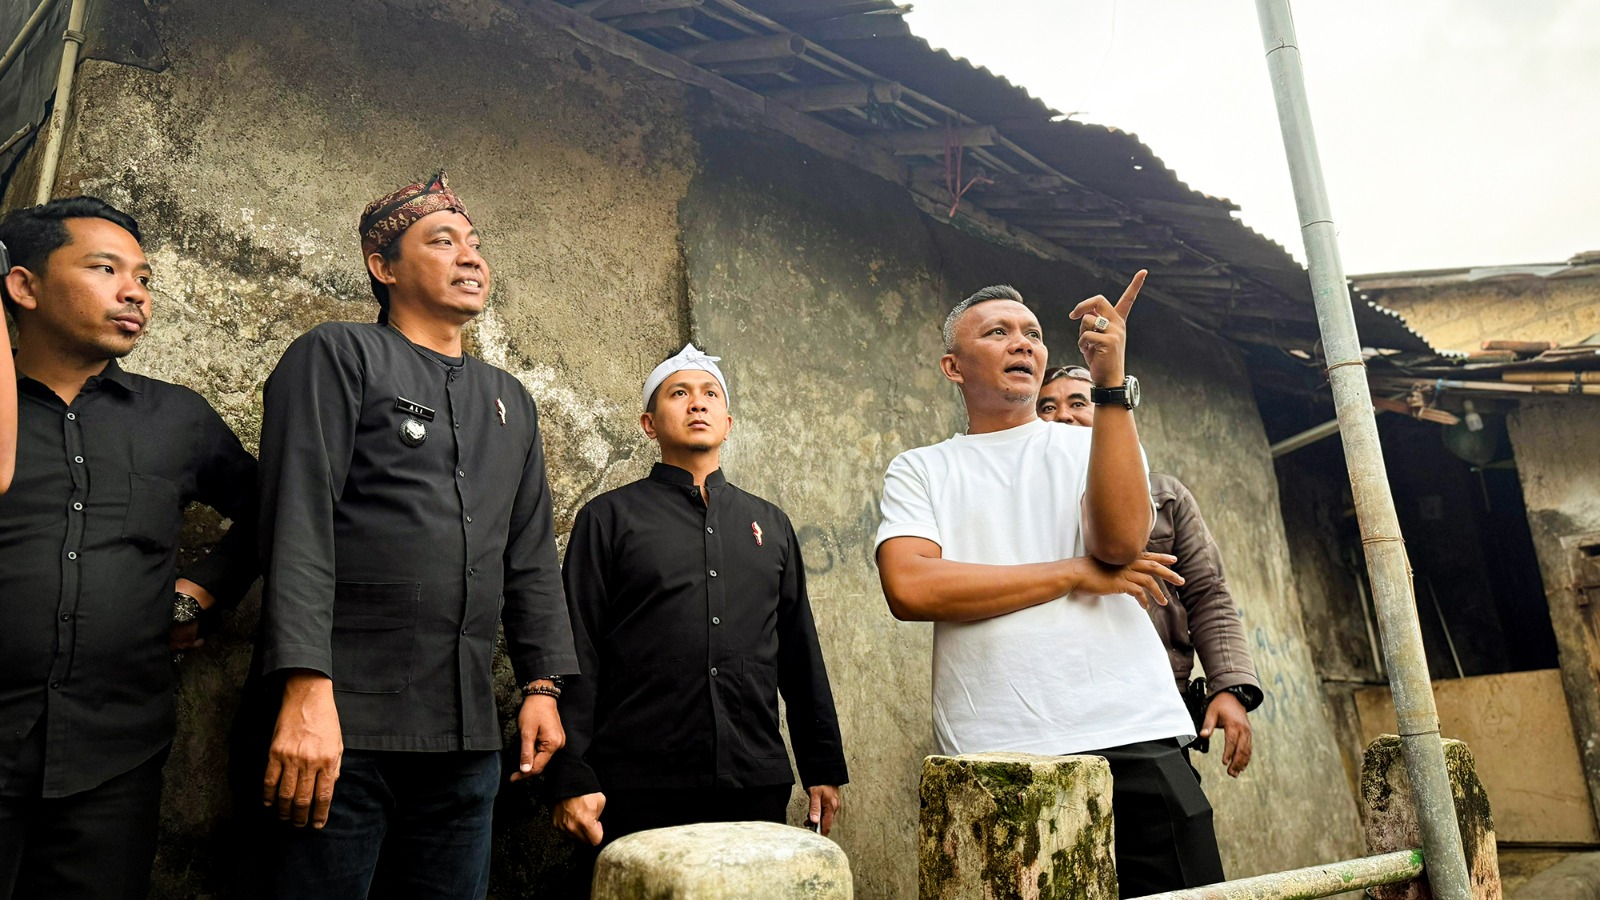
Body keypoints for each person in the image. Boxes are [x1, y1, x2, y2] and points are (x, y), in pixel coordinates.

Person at [254, 172, 577, 900]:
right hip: (338, 730)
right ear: (383, 265)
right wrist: (304, 687)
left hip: (464, 742)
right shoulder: (339, 356)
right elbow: (296, 521)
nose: (471, 258)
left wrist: (542, 684)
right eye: (443, 241)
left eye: (476, 245)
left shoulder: (510, 401)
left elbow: (529, 557)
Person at [875, 275, 1226, 895]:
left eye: (1033, 333)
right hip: (997, 747)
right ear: (953, 367)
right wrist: (1072, 573)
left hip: (1133, 725)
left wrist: (1111, 381)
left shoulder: (1093, 441)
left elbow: (1117, 546)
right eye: (998, 332)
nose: (1023, 343)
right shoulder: (922, 468)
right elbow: (911, 588)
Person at [0, 197, 259, 900]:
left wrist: (202, 588)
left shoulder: (178, 417)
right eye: (105, 268)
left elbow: (274, 510)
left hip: (113, 761)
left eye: (143, 277)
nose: (134, 292)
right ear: (22, 285)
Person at [547, 344, 848, 864]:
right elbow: (578, 649)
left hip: (754, 781)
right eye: (679, 393)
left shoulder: (770, 525)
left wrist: (821, 767)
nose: (697, 404)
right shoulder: (608, 519)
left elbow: (800, 655)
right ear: (649, 422)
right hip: (637, 785)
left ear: (728, 423)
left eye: (710, 394)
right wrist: (571, 773)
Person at [1038, 365, 1262, 778]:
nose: (1063, 415)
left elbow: (1208, 595)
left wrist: (1229, 688)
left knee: (1169, 832)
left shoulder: (1164, 496)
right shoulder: (1023, 500)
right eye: (1046, 406)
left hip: (1153, 701)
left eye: (1078, 403)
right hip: (1052, 708)